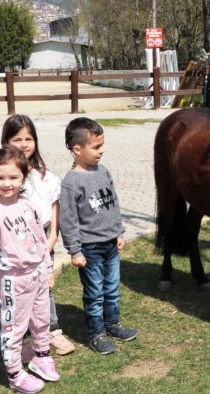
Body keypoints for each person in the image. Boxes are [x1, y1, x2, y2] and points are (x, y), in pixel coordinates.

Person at [0, 115, 74, 356]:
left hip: (42, 240)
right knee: (20, 293)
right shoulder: (3, 177)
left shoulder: (44, 176)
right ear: (6, 141)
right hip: (15, 246)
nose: (24, 144)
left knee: (45, 289)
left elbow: (53, 208)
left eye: (29, 138)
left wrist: (51, 241)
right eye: (17, 139)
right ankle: (22, 337)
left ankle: (51, 330)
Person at [0, 146, 59, 394]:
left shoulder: (28, 204)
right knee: (14, 328)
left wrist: (47, 268)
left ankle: (41, 355)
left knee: (42, 318)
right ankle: (14, 374)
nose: (6, 183)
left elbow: (39, 239)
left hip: (37, 275)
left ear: (23, 177)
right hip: (14, 280)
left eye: (13, 177)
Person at [59, 117, 138, 355]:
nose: (101, 151)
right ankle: (97, 334)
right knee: (95, 294)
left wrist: (119, 232)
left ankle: (113, 325)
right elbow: (68, 219)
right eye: (96, 147)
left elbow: (112, 204)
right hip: (90, 249)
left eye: (102, 145)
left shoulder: (104, 171)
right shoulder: (71, 182)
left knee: (112, 289)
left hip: (111, 244)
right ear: (77, 149)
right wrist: (75, 250)